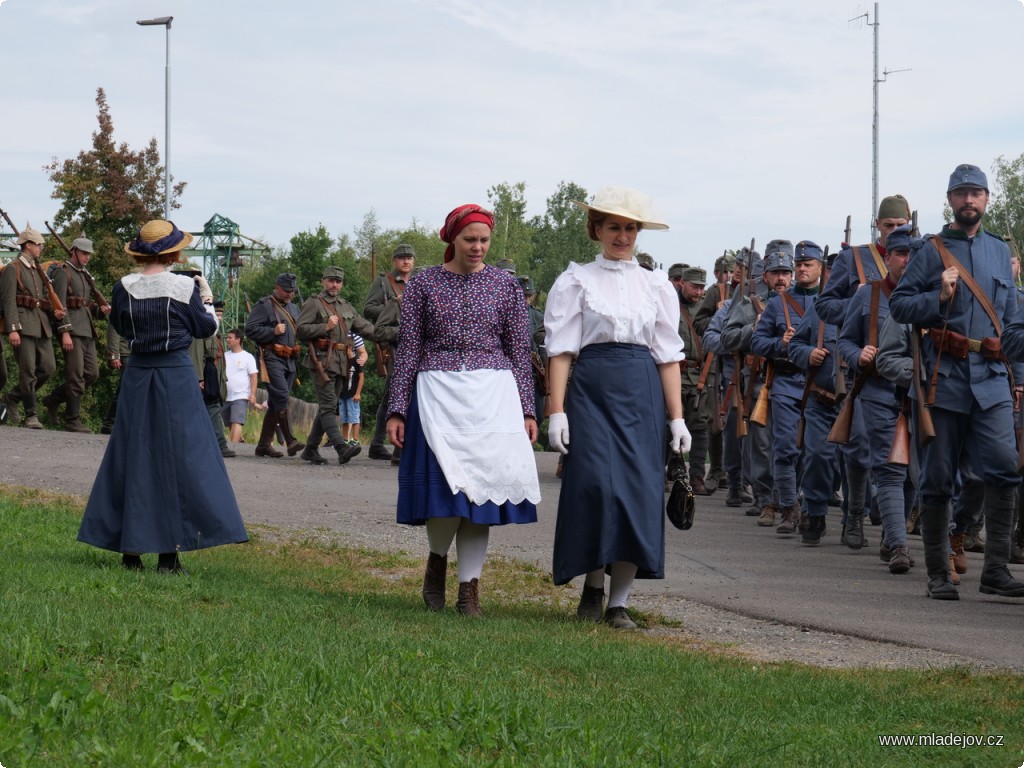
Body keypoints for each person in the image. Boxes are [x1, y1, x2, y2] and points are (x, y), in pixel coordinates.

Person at [386, 204, 540, 617]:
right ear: (452, 238)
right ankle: (436, 564)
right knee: (445, 494)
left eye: (484, 240)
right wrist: (397, 408)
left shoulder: (505, 287)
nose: (477, 247)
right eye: (470, 239)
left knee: (482, 497)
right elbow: (409, 348)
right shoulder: (423, 284)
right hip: (437, 393)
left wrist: (528, 409)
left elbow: (519, 352)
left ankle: (469, 588)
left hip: (493, 397)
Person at [545, 186, 689, 630]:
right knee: (594, 487)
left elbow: (668, 355)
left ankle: (618, 603)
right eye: (614, 227)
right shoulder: (575, 281)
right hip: (590, 388)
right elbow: (561, 351)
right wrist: (557, 410)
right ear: (597, 230)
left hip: (641, 389)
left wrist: (678, 417)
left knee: (637, 492)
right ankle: (592, 583)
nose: (622, 236)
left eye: (630, 227)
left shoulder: (656, 284)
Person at [78, 219, 247, 573]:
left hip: (138, 375)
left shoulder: (123, 287)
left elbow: (122, 327)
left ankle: (130, 553)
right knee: (178, 461)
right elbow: (205, 327)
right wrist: (206, 294)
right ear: (174, 252)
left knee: (133, 456)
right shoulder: (182, 288)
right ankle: (169, 558)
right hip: (175, 376)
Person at [890, 164, 1024, 600]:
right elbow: (899, 305)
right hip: (942, 380)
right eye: (961, 193)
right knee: (938, 477)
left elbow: (1014, 322)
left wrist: (1017, 380)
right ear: (950, 200)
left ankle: (996, 571)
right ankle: (937, 574)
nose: (969, 200)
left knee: (1004, 467)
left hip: (991, 378)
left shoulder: (1000, 252)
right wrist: (938, 297)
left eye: (977, 193)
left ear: (987, 199)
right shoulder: (930, 251)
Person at [837, 225, 915, 570]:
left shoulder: (932, 299)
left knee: (918, 475)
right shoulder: (867, 295)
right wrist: (858, 357)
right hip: (878, 390)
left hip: (920, 394)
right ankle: (898, 544)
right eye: (900, 254)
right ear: (888, 257)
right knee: (890, 469)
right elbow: (844, 342)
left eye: (914, 254)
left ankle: (891, 530)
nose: (907, 261)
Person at [751, 242, 821, 536]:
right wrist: (780, 344)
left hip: (819, 385)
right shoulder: (778, 304)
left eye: (807, 264)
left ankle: (807, 504)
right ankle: (789, 510)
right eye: (799, 265)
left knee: (814, 452)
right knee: (785, 449)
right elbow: (756, 343)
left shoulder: (829, 301)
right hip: (786, 383)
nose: (802, 269)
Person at [296, 266, 375, 465]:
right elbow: (301, 330)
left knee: (327, 407)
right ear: (323, 281)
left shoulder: (346, 307)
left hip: (342, 363)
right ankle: (341, 447)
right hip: (322, 361)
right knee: (329, 407)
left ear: (342, 284)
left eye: (338, 281)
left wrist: (392, 335)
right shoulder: (314, 303)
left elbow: (365, 327)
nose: (334, 284)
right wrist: (325, 327)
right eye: (331, 280)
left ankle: (310, 450)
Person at [44, 236, 111, 432]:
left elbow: (85, 305)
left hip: (86, 330)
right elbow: (60, 304)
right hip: (72, 330)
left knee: (92, 373)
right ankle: (72, 419)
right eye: (84, 253)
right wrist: (64, 331)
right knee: (76, 376)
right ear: (73, 251)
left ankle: (54, 399)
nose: (87, 257)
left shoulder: (83, 275)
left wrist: (100, 311)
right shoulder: (63, 274)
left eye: (89, 254)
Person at [0, 223, 64, 429]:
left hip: (41, 325)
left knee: (47, 368)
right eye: (38, 244)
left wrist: (53, 311)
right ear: (27, 245)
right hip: (22, 326)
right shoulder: (13, 269)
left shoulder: (38, 270)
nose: (41, 248)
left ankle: (12, 396)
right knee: (27, 371)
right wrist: (13, 328)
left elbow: (43, 298)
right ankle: (31, 415)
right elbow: (8, 300)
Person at [244, 273, 305, 458]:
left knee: (275, 402)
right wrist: (272, 331)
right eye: (287, 291)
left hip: (290, 359)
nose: (290, 294)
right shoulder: (264, 306)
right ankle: (290, 440)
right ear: (276, 287)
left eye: (292, 291)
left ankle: (263, 445)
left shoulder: (294, 308)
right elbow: (250, 329)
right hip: (271, 358)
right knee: (282, 397)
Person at [364, 245, 414, 463]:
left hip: (413, 347)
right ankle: (398, 450)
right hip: (393, 344)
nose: (406, 262)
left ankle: (378, 443)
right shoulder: (384, 282)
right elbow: (368, 310)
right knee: (400, 393)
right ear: (395, 261)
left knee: (390, 395)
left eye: (409, 258)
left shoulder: (417, 281)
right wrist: (390, 309)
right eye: (402, 258)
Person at [671, 265, 712, 494]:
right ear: (682, 283)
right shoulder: (670, 305)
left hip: (700, 375)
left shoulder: (707, 310)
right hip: (675, 373)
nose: (698, 292)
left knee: (699, 427)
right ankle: (672, 471)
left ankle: (697, 476)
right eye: (694, 287)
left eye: (701, 288)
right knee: (671, 424)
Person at [517, 274, 548, 428]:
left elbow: (543, 346)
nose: (527, 299)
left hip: (534, 373)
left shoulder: (538, 316)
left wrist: (546, 373)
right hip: (511, 372)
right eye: (523, 295)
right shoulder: (507, 313)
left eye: (529, 295)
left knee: (538, 416)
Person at [222, 328, 258, 443]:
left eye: (230, 338)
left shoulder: (247, 357)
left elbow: (253, 376)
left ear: (238, 340)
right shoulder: (224, 355)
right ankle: (240, 440)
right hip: (225, 395)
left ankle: (233, 447)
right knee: (228, 422)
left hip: (241, 395)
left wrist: (252, 394)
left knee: (236, 421)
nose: (227, 340)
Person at [338, 332, 368, 450]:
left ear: (351, 348)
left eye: (346, 348)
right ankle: (345, 439)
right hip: (343, 394)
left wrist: (358, 393)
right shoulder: (342, 362)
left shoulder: (356, 361)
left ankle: (355, 440)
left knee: (354, 417)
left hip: (353, 395)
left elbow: (361, 377)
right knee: (344, 418)